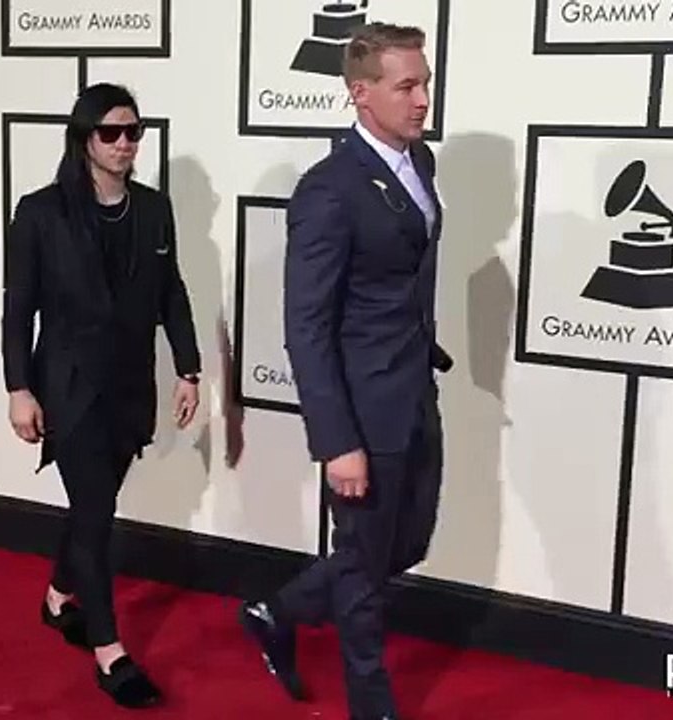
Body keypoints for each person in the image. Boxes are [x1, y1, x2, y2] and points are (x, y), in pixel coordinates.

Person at [238, 23, 453, 720]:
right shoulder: (328, 190)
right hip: (362, 408)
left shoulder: (420, 164)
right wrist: (337, 441)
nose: (423, 99)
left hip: (413, 390)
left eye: (425, 83)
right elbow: (305, 326)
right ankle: (371, 704)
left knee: (406, 543)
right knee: (360, 566)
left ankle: (279, 610)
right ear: (361, 93)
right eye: (407, 86)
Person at [1, 82, 202, 709]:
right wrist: (19, 388)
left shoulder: (153, 208)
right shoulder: (40, 213)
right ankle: (110, 652)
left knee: (96, 504)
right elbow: (18, 309)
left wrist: (189, 369)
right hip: (68, 386)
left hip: (129, 386)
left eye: (133, 132)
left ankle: (57, 597)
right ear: (84, 139)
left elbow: (171, 292)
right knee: (95, 510)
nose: (124, 144)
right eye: (110, 132)